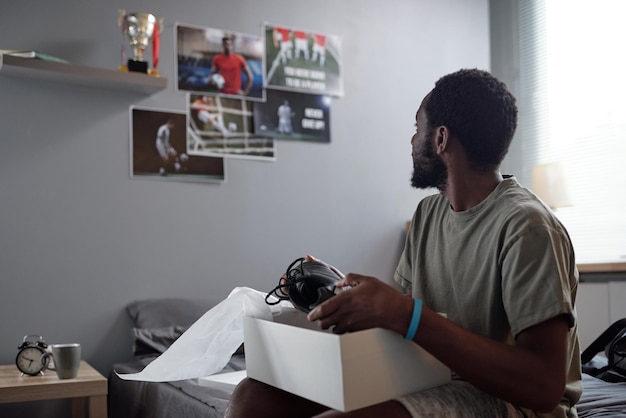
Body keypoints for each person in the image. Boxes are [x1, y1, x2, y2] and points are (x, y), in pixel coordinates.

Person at [225, 69, 582, 418]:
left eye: (417, 129)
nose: (412, 141)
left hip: (512, 403)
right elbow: (405, 326)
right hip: (431, 376)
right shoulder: (428, 214)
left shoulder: (527, 227)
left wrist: (406, 314)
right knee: (253, 397)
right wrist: (341, 293)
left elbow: (543, 386)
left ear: (440, 139)